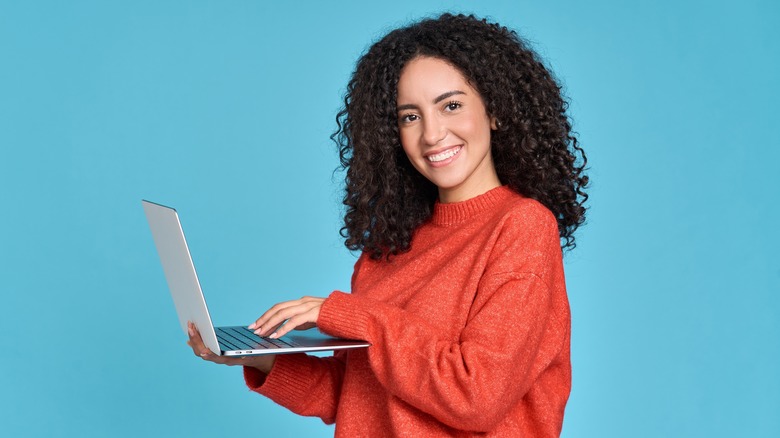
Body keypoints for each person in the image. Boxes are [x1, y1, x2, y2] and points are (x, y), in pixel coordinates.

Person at [187, 13, 588, 437]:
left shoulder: (521, 227)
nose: (432, 134)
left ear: (496, 112)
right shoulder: (387, 247)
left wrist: (348, 314)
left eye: (451, 105)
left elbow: (476, 395)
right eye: (409, 117)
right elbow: (356, 394)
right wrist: (255, 357)